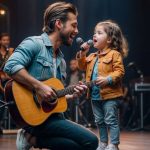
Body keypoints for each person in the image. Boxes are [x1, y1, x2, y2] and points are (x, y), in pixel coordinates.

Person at [4, 2, 98, 150]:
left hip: (51, 117)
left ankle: (33, 140)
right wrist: (39, 86)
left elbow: (53, 97)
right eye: (73, 25)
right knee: (92, 141)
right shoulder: (34, 43)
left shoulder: (61, 61)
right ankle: (30, 134)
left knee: (74, 146)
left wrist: (72, 95)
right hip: (31, 118)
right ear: (59, 24)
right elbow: (10, 66)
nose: (77, 31)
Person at [76, 20, 128, 150]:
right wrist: (83, 53)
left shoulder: (114, 54)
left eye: (99, 33)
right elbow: (82, 66)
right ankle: (103, 143)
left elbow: (120, 72)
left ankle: (114, 144)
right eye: (94, 33)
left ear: (109, 39)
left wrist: (108, 79)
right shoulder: (92, 56)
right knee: (99, 121)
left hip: (109, 95)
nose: (94, 36)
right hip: (95, 96)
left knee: (111, 120)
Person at [0, 33, 14, 134]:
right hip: (0, 79)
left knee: (8, 102)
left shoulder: (10, 52)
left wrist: (10, 54)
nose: (6, 42)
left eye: (7, 40)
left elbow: (12, 65)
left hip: (7, 79)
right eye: (4, 40)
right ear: (0, 41)